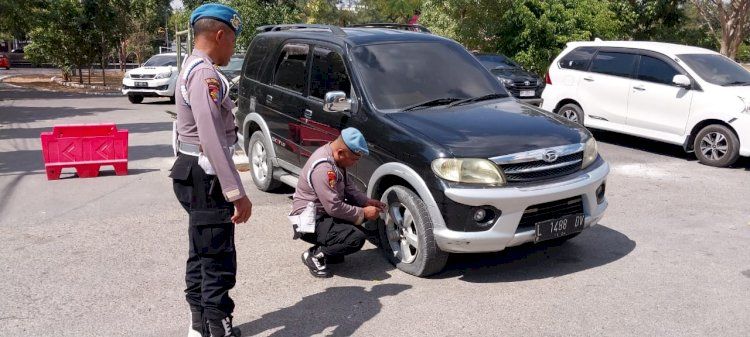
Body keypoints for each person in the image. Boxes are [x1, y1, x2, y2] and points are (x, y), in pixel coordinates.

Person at [168, 3, 249, 337]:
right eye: (233, 40)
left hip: (192, 169)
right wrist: (237, 193)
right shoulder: (205, 74)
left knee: (200, 250)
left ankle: (200, 324)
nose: (233, 48)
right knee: (216, 255)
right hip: (207, 175)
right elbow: (212, 138)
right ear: (219, 35)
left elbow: (180, 131)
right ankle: (218, 327)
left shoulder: (190, 65)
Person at [290, 127, 386, 278]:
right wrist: (363, 212)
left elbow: (349, 189)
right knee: (356, 238)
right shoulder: (323, 168)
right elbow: (334, 207)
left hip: (323, 214)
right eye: (354, 159)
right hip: (309, 221)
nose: (355, 163)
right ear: (341, 152)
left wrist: (367, 201)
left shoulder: (336, 159)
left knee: (358, 226)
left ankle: (331, 250)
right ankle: (315, 255)